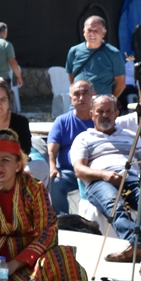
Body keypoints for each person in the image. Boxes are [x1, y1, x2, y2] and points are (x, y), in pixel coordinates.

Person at [0, 129, 88, 281]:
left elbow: (48, 232)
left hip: (24, 257)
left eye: (5, 160)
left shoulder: (33, 187)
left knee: (61, 259)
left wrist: (14, 264)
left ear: (18, 165)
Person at [70, 94, 141, 262]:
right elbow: (79, 170)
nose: (104, 115)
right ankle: (136, 244)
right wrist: (105, 175)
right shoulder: (84, 138)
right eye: (100, 111)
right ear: (91, 114)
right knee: (114, 203)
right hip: (100, 181)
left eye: (109, 111)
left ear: (117, 113)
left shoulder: (131, 135)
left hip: (131, 177)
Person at [46, 78, 95, 215]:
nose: (81, 98)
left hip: (96, 173)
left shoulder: (100, 119)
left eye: (85, 93)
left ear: (93, 94)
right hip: (69, 173)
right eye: (76, 94)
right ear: (70, 98)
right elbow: (51, 150)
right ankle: (62, 222)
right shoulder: (62, 121)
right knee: (55, 183)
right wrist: (52, 167)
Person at [65, 15, 125, 98]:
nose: (92, 33)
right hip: (79, 104)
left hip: (100, 108)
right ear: (84, 32)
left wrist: (109, 102)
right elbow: (71, 76)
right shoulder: (74, 51)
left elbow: (120, 84)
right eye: (89, 30)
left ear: (103, 33)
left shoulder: (113, 54)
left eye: (96, 30)